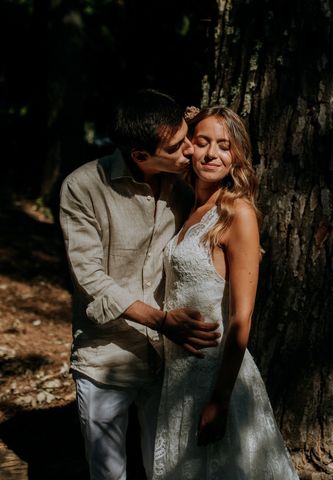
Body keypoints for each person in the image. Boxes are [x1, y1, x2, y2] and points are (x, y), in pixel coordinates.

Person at [59, 89, 221, 480]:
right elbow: (91, 280)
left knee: (164, 468)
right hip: (106, 355)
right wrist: (162, 320)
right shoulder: (82, 188)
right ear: (140, 156)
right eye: (178, 145)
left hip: (169, 358)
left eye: (188, 137)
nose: (190, 151)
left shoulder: (183, 183)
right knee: (109, 473)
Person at [152, 106, 299, 479]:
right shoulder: (191, 206)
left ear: (237, 156)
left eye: (224, 146)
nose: (211, 154)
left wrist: (219, 399)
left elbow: (241, 317)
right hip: (179, 373)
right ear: (189, 146)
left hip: (217, 376)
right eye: (202, 143)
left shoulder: (238, 214)